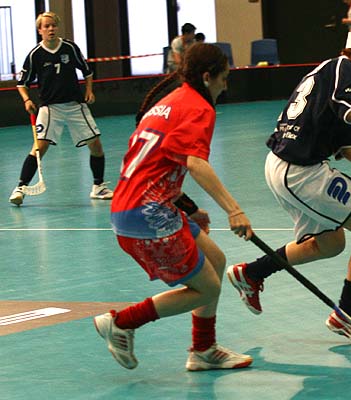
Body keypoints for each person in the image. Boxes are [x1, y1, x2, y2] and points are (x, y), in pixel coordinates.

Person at [226, 21, 351, 343]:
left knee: (331, 243)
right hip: (301, 172)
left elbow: (345, 147)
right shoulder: (345, 70)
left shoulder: (332, 74)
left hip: (284, 166)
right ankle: (347, 314)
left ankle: (252, 272)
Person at [93, 42, 254, 371]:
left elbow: (157, 163)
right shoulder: (199, 108)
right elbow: (195, 164)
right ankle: (122, 322)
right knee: (206, 288)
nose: (226, 85)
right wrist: (234, 210)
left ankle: (203, 349)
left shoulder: (172, 100)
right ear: (207, 77)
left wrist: (189, 208)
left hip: (138, 204)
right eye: (224, 78)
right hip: (146, 213)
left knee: (215, 260)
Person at [9, 11, 113, 206]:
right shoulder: (35, 55)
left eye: (53, 25)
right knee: (39, 148)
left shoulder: (70, 48)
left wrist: (89, 90)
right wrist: (27, 100)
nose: (51, 29)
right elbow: (22, 83)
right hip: (50, 108)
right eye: (46, 26)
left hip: (75, 105)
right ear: (40, 30)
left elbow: (87, 71)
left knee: (96, 145)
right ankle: (21, 188)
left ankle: (98, 186)